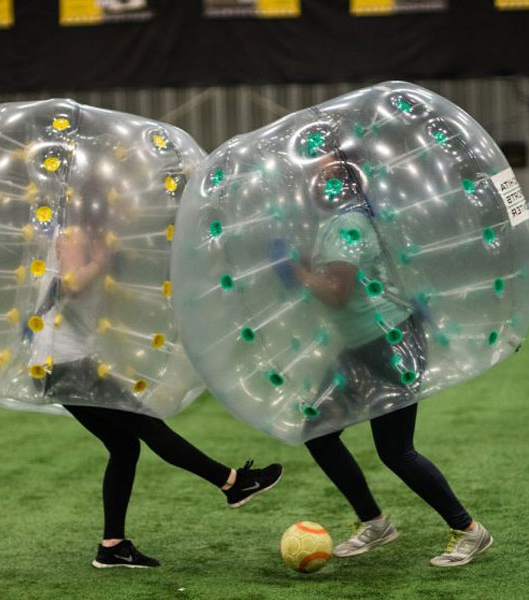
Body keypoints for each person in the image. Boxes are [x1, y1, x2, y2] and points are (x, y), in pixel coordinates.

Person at [30, 218, 282, 569]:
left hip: (59, 365)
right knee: (147, 426)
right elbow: (71, 285)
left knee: (124, 446)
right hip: (68, 365)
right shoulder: (76, 229)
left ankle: (112, 546)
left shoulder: (92, 232)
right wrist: (101, 262)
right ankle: (233, 483)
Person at [291, 172, 492, 568]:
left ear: (344, 184)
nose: (315, 178)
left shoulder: (347, 224)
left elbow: (336, 292)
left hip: (388, 345)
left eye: (327, 172)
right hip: (364, 346)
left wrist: (296, 269)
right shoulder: (343, 221)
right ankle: (375, 522)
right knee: (318, 431)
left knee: (397, 451)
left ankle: (470, 531)